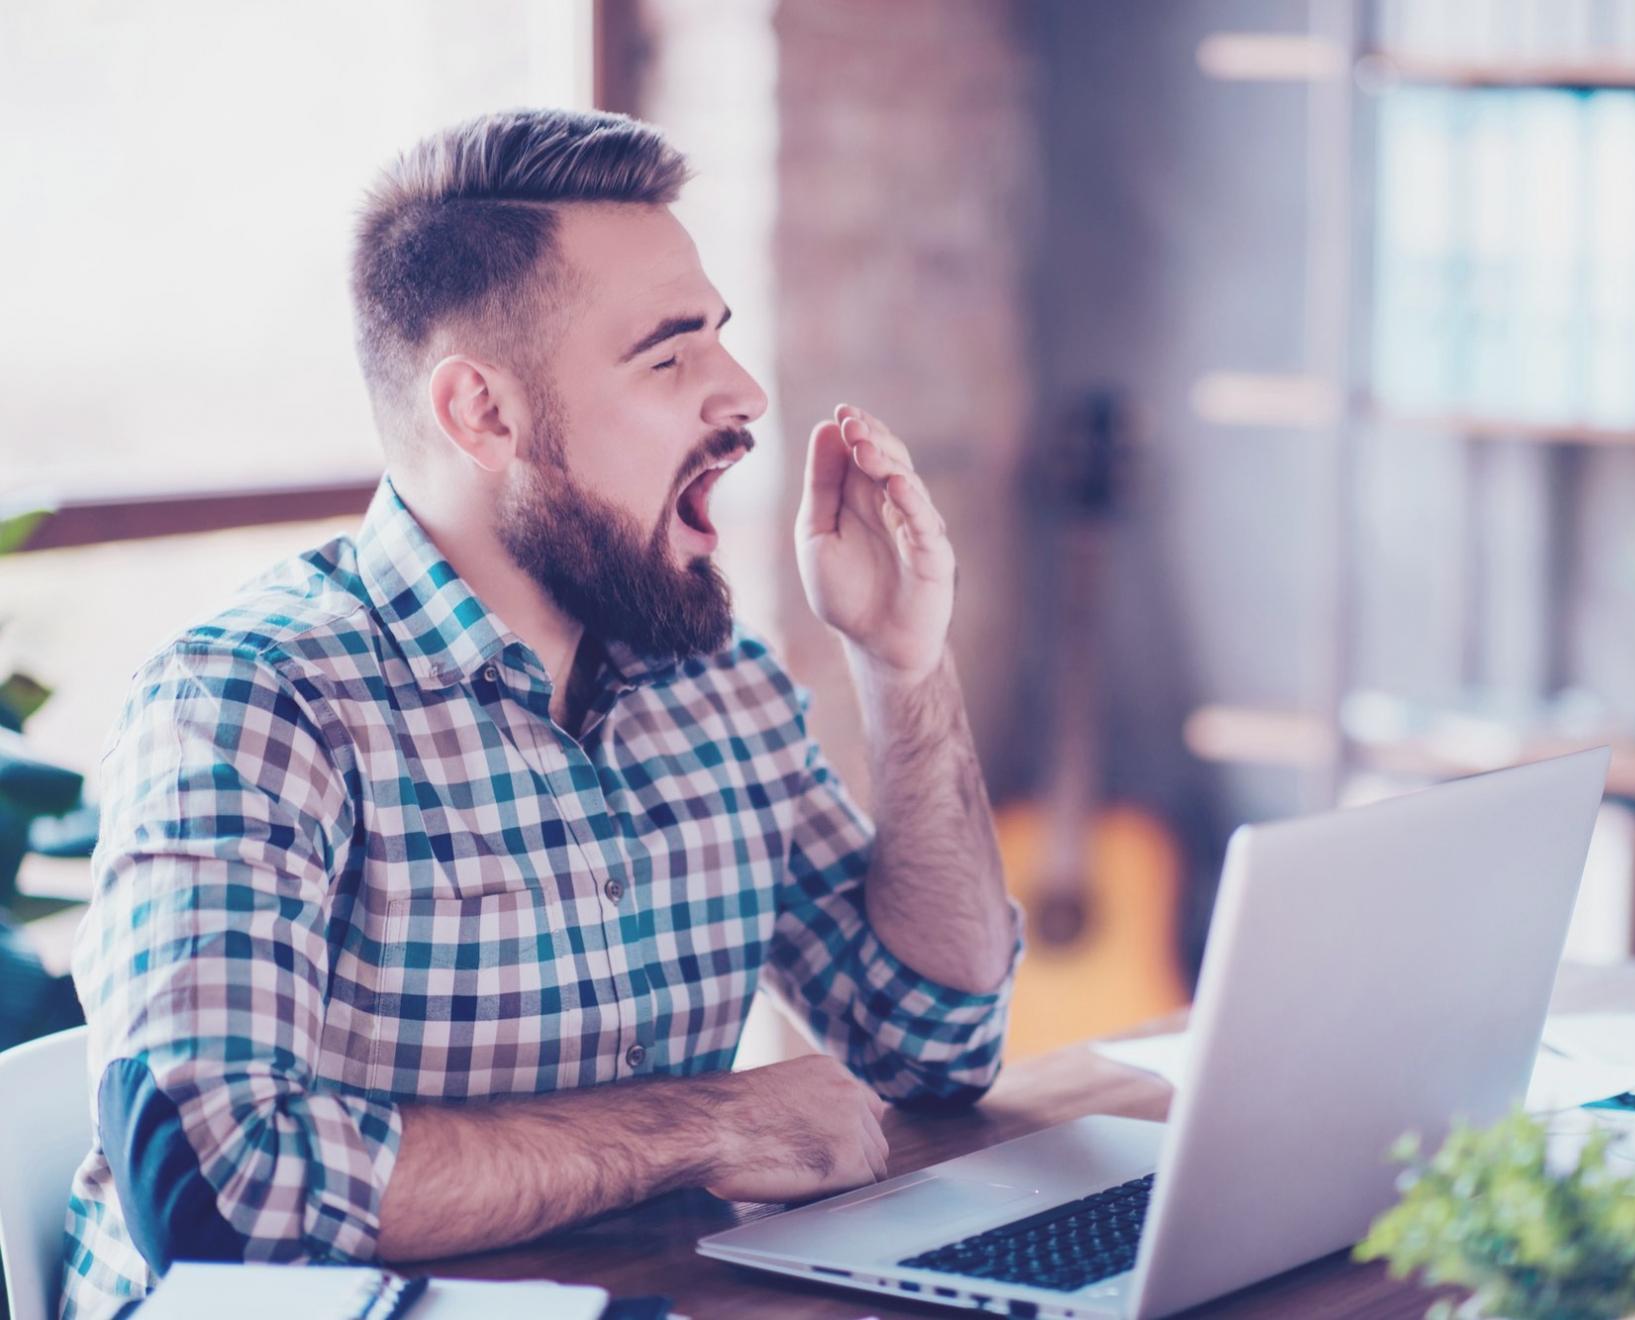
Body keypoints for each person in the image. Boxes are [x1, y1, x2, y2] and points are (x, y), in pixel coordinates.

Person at [60, 107, 1020, 1319]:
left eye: (719, 339)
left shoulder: (718, 687)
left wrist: (903, 664)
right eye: (670, 358)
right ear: (485, 416)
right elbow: (216, 1191)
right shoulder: (248, 706)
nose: (747, 392)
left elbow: (935, 1042)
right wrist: (702, 1127)